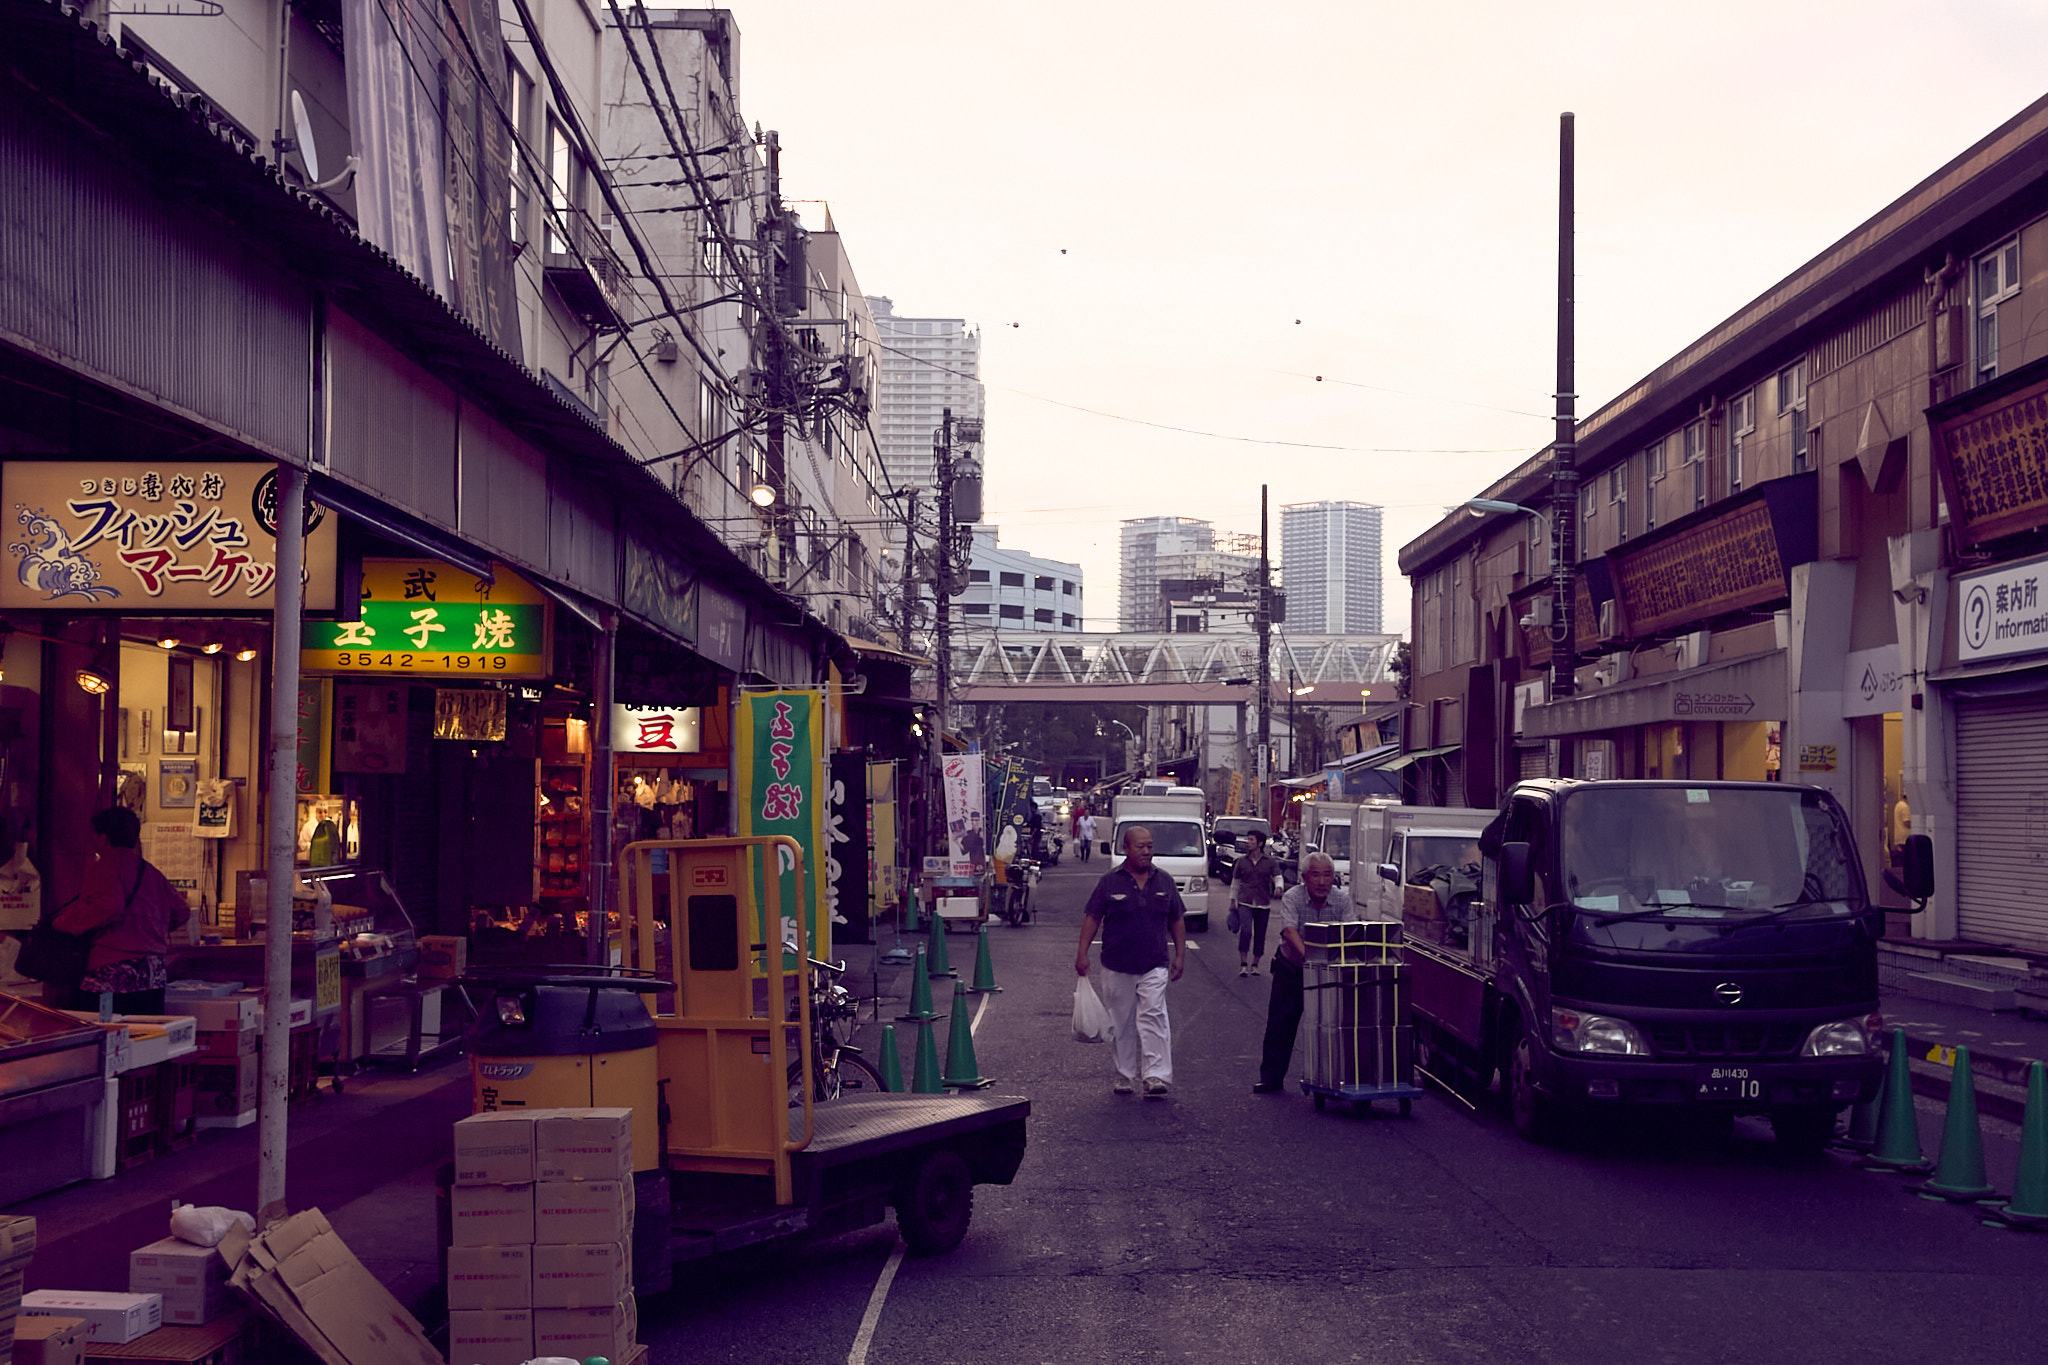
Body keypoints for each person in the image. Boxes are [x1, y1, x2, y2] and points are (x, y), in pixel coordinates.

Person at [1076, 825, 1186, 1097]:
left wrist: (1180, 955)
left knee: (1154, 1016)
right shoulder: (1110, 882)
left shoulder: (1164, 881)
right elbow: (1092, 917)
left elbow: (1176, 919)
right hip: (1117, 964)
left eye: (1150, 846)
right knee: (1121, 1022)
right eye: (1140, 846)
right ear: (1126, 848)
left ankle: (1155, 1076)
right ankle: (1124, 1075)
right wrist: (1082, 953)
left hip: (1154, 964)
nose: (1147, 851)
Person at [56, 806, 186, 1015]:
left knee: (104, 1030)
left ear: (103, 838)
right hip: (153, 971)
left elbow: (109, 905)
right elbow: (181, 911)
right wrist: (151, 929)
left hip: (112, 968)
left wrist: (63, 923)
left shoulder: (105, 867)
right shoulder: (151, 872)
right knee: (147, 1031)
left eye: (94, 834)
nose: (92, 839)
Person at [1252, 850, 1362, 1094]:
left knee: (1330, 1026)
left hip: (1330, 974)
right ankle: (1271, 1078)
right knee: (1281, 1024)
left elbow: (1350, 932)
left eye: (1327, 875)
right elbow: (1289, 931)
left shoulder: (1342, 900)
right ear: (1304, 878)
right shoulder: (1292, 897)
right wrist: (1312, 959)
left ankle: (1326, 1079)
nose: (1322, 882)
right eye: (1316, 875)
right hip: (1293, 968)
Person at [1232, 830, 1280, 977]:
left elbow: (1277, 876)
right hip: (1245, 901)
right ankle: (1243, 964)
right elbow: (1235, 882)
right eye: (1248, 840)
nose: (1248, 843)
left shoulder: (1270, 862)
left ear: (1260, 843)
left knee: (1260, 934)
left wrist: (1279, 887)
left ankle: (1255, 964)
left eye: (1251, 840)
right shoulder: (1241, 861)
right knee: (1246, 931)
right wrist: (1232, 900)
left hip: (1263, 902)